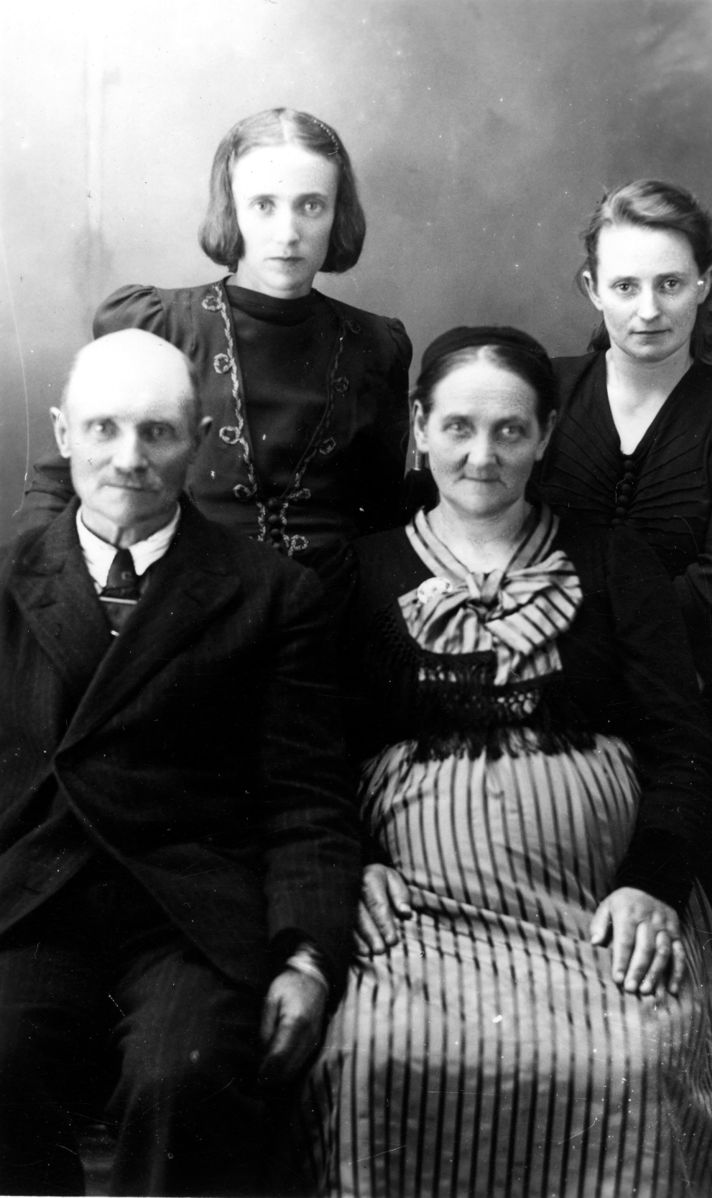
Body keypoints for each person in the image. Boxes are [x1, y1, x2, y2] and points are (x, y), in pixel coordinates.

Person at [298, 327, 712, 1197]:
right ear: (419, 427)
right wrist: (351, 866)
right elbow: (311, 753)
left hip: (598, 906)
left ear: (545, 435)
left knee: (629, 1061)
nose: (483, 455)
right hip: (420, 914)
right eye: (458, 427)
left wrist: (653, 884)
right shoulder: (358, 573)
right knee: (371, 1052)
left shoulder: (614, 561)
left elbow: (682, 745)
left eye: (510, 430)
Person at [0, 328, 361, 1197]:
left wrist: (308, 958)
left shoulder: (271, 592)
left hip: (189, 916)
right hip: (36, 900)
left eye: (157, 432)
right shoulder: (9, 580)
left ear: (196, 440)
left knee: (183, 1078)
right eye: (104, 428)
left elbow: (307, 799)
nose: (129, 459)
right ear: (63, 433)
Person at [535, 179, 712, 1111]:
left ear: (704, 285)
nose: (648, 310)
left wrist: (565, 633)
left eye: (672, 284)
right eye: (626, 285)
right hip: (562, 708)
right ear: (590, 286)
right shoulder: (548, 392)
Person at [18, 107, 412, 609]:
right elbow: (66, 474)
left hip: (332, 617)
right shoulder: (159, 323)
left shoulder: (376, 344)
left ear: (338, 214)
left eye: (311, 205)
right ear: (232, 210)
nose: (288, 232)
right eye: (263, 205)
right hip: (183, 610)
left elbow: (383, 515)